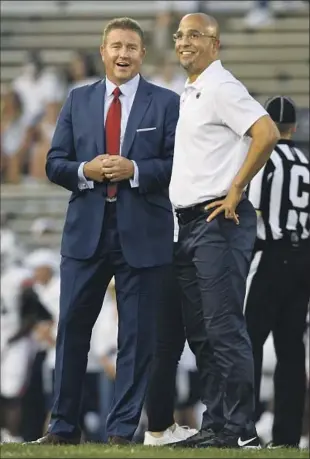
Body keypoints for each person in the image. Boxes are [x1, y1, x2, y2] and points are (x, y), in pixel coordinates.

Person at [30, 17, 179, 445]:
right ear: (102, 50)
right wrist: (84, 169)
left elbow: (177, 166)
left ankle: (120, 432)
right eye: (116, 46)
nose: (123, 54)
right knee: (72, 330)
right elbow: (55, 163)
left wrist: (136, 170)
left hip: (144, 236)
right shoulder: (77, 101)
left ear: (142, 53)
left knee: (137, 339)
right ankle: (61, 429)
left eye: (131, 46)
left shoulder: (166, 103)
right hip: (85, 235)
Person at [168, 13, 280, 448]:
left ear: (216, 43)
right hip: (191, 223)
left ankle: (240, 431)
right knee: (202, 334)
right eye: (180, 35)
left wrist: (236, 189)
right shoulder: (194, 90)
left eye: (195, 35)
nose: (184, 42)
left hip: (218, 222)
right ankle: (217, 424)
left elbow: (266, 132)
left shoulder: (220, 86)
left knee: (223, 327)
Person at [245, 96, 310, 448]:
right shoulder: (306, 161)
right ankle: (287, 435)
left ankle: (245, 427)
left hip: (270, 254)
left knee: (248, 342)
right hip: (303, 259)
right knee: (291, 349)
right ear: (295, 128)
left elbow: (250, 209)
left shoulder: (264, 158)